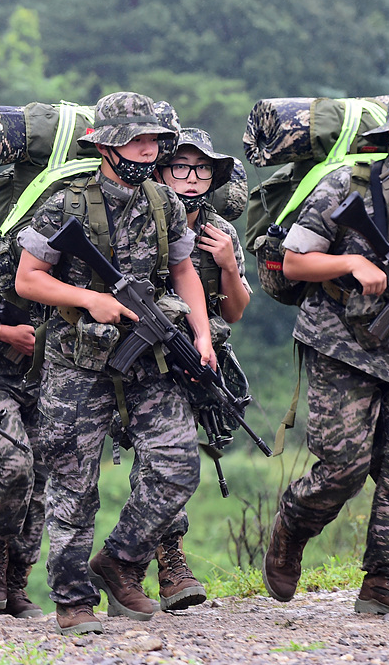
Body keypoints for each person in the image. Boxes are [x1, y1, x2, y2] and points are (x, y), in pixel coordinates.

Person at [261, 85, 389, 616]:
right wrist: (350, 265)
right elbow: (294, 263)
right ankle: (293, 523)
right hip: (343, 344)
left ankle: (384, 580)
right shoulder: (345, 186)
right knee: (343, 467)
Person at [15, 91, 215, 635]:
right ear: (104, 145)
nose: (148, 150)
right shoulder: (66, 202)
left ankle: (122, 561)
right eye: (135, 140)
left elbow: (184, 271)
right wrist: (89, 300)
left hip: (146, 355)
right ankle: (73, 599)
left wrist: (201, 332)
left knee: (177, 461)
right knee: (71, 484)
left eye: (153, 140)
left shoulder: (163, 202)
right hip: (76, 362)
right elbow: (27, 278)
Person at [148, 126, 252, 611]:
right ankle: (167, 561)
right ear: (162, 171)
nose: (192, 178)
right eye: (181, 168)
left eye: (203, 169)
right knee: (160, 456)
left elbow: (234, 311)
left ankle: (166, 561)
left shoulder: (220, 231)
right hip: (146, 354)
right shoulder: (142, 219)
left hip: (199, 359)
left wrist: (228, 265)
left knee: (180, 454)